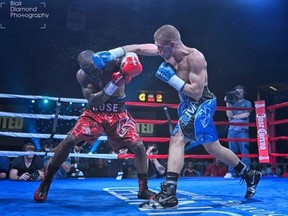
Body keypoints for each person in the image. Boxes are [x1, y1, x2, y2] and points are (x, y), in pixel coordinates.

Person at [117, 24, 262, 209]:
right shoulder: (166, 52)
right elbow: (138, 48)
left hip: (202, 101)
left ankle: (169, 194)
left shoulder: (196, 58)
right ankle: (249, 174)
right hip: (187, 104)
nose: (158, 52)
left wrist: (171, 79)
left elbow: (196, 92)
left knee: (177, 139)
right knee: (213, 148)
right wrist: (113, 53)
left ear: (171, 44)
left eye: (161, 48)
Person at [34, 50, 155, 202]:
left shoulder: (111, 64)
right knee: (70, 140)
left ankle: (143, 189)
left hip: (117, 112)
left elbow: (133, 64)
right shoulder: (82, 76)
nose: (93, 74)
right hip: (95, 113)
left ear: (99, 63)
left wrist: (130, 60)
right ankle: (46, 181)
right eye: (88, 72)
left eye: (94, 70)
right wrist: (113, 84)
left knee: (138, 146)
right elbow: (93, 101)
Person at [225, 85, 252, 178]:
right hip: (232, 129)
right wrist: (227, 103)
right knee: (231, 152)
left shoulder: (247, 103)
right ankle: (231, 172)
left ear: (244, 93)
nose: (239, 94)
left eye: (241, 92)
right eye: (237, 92)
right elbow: (229, 115)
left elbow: (246, 115)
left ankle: (246, 172)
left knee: (245, 151)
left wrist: (234, 117)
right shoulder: (232, 103)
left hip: (242, 130)